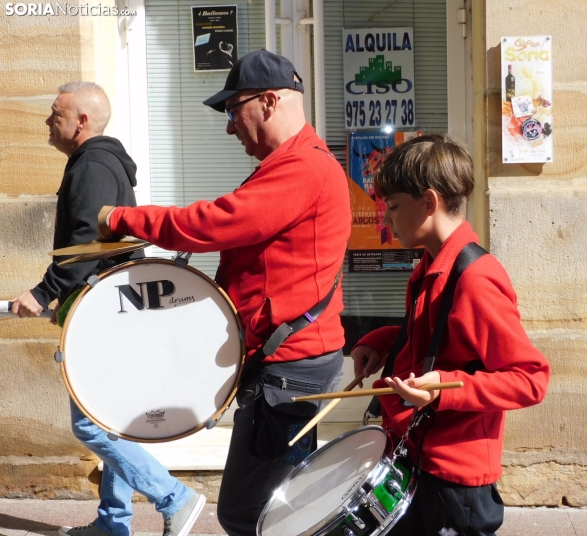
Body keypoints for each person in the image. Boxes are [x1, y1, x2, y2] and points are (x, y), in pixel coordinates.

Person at [96, 50, 351, 536]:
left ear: (270, 101)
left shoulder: (301, 167)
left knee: (252, 513)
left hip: (288, 367)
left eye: (234, 110)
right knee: (280, 507)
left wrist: (121, 218)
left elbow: (217, 222)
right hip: (290, 361)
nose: (230, 127)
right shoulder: (297, 161)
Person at [11, 82, 205, 536]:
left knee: (92, 427)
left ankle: (175, 497)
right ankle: (113, 523)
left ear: (82, 121)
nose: (46, 121)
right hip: (116, 307)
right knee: (113, 421)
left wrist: (44, 292)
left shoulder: (92, 165)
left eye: (55, 113)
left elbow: (86, 244)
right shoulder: (100, 162)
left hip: (106, 312)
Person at [351, 134, 551, 536]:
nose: (385, 219)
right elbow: (439, 337)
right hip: (420, 460)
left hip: (455, 480)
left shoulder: (476, 278)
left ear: (429, 202)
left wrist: (442, 389)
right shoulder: (431, 262)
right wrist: (383, 341)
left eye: (392, 207)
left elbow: (530, 378)